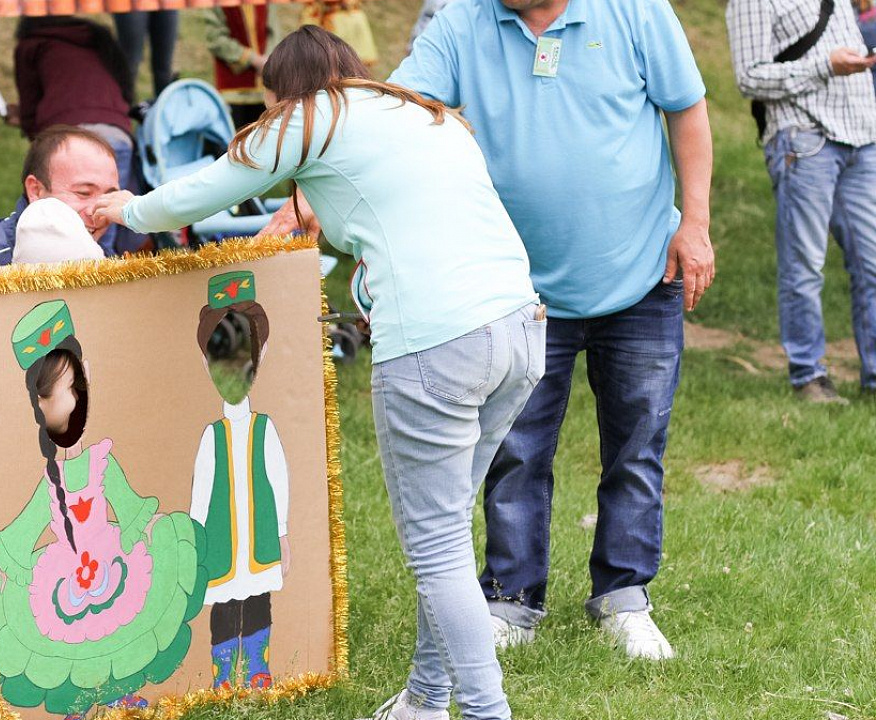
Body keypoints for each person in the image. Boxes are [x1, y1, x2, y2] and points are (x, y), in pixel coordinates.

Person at [97, 26, 544, 720]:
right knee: (449, 533)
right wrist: (312, 203)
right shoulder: (419, 112)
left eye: (272, 102)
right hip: (520, 328)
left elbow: (199, 194)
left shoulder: (309, 116)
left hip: (436, 344)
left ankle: (488, 712)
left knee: (437, 549)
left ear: (289, 93)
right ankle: (426, 700)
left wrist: (123, 209)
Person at [265, 0, 714, 660]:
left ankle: (623, 596)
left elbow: (688, 109)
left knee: (637, 444)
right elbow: (383, 116)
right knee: (515, 449)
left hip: (642, 270)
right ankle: (511, 598)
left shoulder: (636, 11)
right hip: (515, 286)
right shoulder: (461, 22)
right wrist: (306, 196)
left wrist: (695, 223)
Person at [0, 299, 207, 719]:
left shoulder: (102, 461)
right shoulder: (50, 482)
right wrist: (4, 569)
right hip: (64, 581)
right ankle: (79, 706)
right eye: (56, 396)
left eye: (75, 388)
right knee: (74, 642)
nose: (70, 404)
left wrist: (155, 528)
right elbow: (20, 533)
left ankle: (116, 696)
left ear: (88, 377)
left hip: (112, 563)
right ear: (40, 407)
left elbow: (130, 507)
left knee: (119, 628)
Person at [729, 0, 876, 403]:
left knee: (873, 264)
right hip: (805, 138)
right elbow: (749, 77)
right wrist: (824, 65)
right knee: (805, 267)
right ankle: (808, 376)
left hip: (863, 139)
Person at [189, 271, 290, 691]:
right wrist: (196, 545)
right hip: (222, 545)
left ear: (260, 354)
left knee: (259, 600)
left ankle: (257, 669)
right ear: (207, 363)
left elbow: (278, 483)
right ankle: (224, 676)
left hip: (259, 540)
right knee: (225, 605)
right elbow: (199, 498)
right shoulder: (210, 437)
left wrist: (281, 534)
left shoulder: (265, 429)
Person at [8, 16, 144, 256]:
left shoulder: (32, 45)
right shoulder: (96, 38)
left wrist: (35, 136)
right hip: (118, 132)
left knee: (79, 230)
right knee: (106, 220)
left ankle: (94, 278)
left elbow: (29, 107)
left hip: (70, 138)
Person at [0, 126, 119, 270]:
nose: (97, 212)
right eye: (84, 193)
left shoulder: (104, 257)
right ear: (36, 190)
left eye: (109, 196)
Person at [203, 6, 281, 128]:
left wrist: (269, 61)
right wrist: (253, 59)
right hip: (233, 92)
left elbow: (273, 32)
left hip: (265, 92)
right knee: (234, 137)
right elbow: (215, 39)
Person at [113, 10, 179, 99]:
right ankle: (122, 105)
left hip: (166, 5)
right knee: (129, 67)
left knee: (164, 70)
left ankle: (164, 107)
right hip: (130, 6)